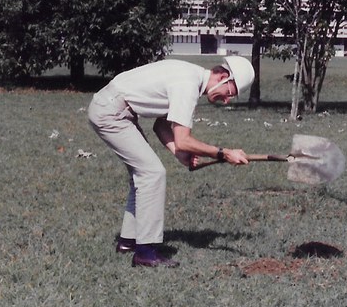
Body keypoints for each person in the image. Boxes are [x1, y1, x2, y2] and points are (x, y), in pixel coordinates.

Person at [88, 55, 255, 268]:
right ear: (223, 76)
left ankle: (128, 241)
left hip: (113, 109)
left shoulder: (190, 76)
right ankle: (145, 253)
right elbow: (184, 139)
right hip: (111, 113)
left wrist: (179, 153)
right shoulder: (187, 85)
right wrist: (223, 153)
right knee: (152, 174)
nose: (227, 100)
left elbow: (161, 126)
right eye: (229, 93)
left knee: (144, 175)